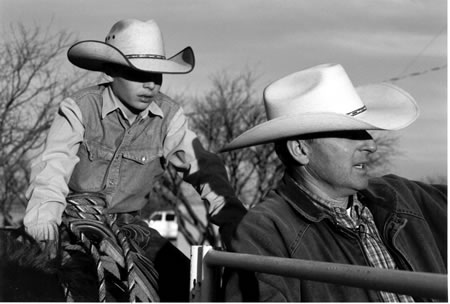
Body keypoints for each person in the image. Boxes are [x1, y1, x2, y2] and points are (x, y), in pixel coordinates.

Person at [23, 18, 246, 301]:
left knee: (188, 284)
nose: (151, 84)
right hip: (70, 220)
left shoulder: (169, 117)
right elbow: (53, 163)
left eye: (158, 75)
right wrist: (44, 217)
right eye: (139, 74)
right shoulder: (79, 108)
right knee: (35, 279)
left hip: (129, 227)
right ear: (112, 72)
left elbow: (204, 167)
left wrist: (234, 220)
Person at [221, 63, 447, 302]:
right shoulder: (265, 232)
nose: (371, 145)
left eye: (366, 132)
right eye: (350, 133)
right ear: (299, 150)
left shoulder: (404, 196)